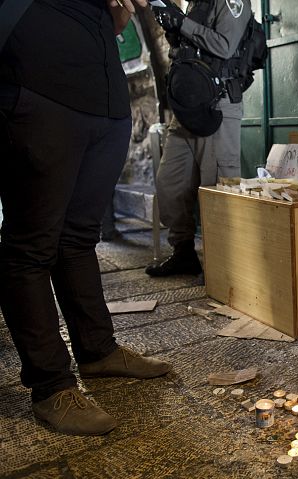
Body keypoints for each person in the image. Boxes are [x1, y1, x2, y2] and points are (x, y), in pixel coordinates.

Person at [0, 0, 172, 436]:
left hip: (103, 98)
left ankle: (97, 351)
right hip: (40, 83)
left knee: (78, 238)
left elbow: (116, 19)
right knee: (30, 245)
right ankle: (51, 383)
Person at [145, 0, 251, 277]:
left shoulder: (232, 2)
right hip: (187, 107)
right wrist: (174, 28)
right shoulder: (195, 3)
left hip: (218, 105)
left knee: (217, 188)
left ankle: (223, 266)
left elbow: (225, 46)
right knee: (170, 182)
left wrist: (182, 23)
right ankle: (183, 253)